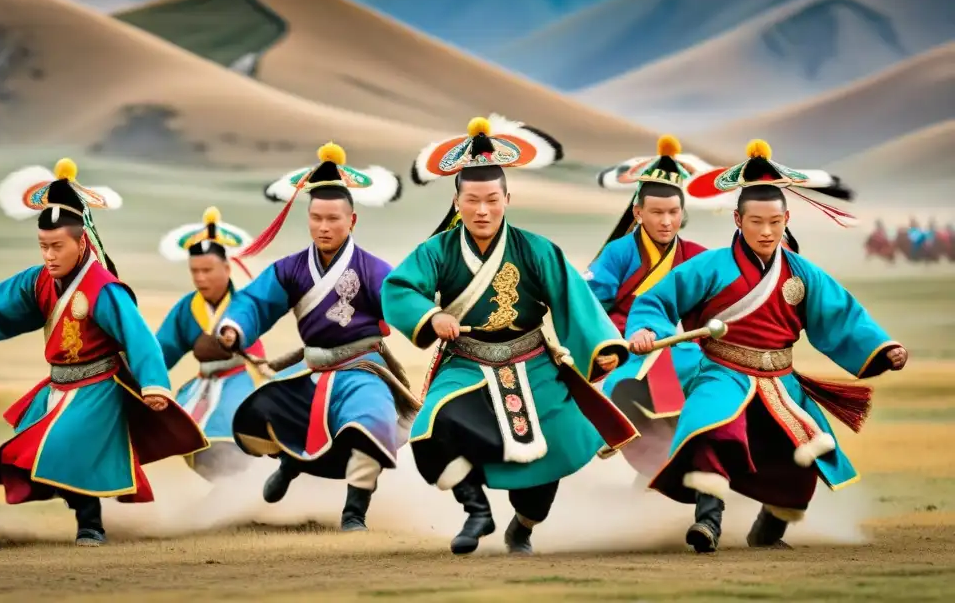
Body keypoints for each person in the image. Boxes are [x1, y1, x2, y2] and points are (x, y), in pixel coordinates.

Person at [625, 140, 908, 553]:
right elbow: (655, 300)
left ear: (786, 218)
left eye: (775, 221)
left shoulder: (802, 273)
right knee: (713, 431)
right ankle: (708, 523)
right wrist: (646, 329)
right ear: (738, 219)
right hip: (723, 372)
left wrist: (883, 348)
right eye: (756, 221)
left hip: (782, 382)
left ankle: (768, 532)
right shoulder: (710, 266)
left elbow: (841, 315)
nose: (766, 231)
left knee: (801, 457)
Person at [381, 115, 638, 556]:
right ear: (457, 200)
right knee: (430, 428)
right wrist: (431, 315)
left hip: (533, 360)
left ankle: (523, 526)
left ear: (507, 198)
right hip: (465, 361)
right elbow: (400, 288)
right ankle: (476, 510)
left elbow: (574, 299)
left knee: (554, 443)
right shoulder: (437, 251)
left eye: (492, 200)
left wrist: (601, 347)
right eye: (473, 200)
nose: (482, 210)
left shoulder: (537, 250)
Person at [0, 159, 207, 547]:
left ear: (81, 242)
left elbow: (137, 335)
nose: (49, 255)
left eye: (57, 246)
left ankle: (90, 525)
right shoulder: (40, 280)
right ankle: (82, 509)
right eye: (43, 246)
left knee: (69, 445)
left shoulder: (102, 288)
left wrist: (154, 383)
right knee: (41, 451)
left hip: (99, 388)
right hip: (58, 387)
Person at [215, 143, 407, 532]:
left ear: (352, 221)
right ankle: (289, 465)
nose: (324, 226)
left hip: (363, 368)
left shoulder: (373, 269)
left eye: (333, 219)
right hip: (314, 368)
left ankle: (354, 514)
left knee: (371, 421)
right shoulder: (290, 269)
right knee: (277, 414)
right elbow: (254, 301)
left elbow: (404, 302)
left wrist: (429, 315)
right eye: (316, 217)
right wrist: (234, 327)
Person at [585, 134, 707, 480]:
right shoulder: (618, 253)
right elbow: (589, 306)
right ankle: (624, 440)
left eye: (673, 212)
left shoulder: (697, 256)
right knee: (618, 390)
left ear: (682, 213)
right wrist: (606, 345)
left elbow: (711, 310)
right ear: (638, 212)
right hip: (622, 348)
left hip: (671, 346)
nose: (666, 221)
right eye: (656, 212)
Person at [157, 206, 267, 480]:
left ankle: (248, 487)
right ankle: (229, 491)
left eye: (207, 270)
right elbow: (163, 350)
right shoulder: (188, 308)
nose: (200, 278)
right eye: (194, 271)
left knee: (230, 429)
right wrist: (142, 377)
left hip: (243, 377)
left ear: (227, 268)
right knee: (186, 433)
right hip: (204, 385)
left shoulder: (244, 302)